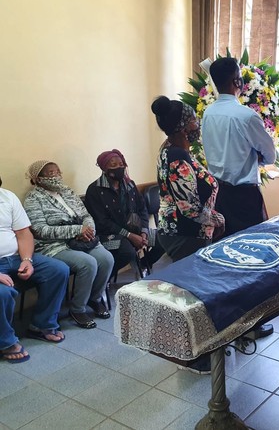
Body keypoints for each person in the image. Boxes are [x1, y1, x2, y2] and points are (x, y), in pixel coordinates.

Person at [23, 161, 114, 329]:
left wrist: (89, 230)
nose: (56, 176)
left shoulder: (67, 191)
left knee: (106, 258)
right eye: (51, 173)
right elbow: (40, 230)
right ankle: (77, 309)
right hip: (54, 245)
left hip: (82, 240)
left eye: (58, 172)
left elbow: (85, 215)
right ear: (38, 178)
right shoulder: (33, 198)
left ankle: (94, 299)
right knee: (88, 263)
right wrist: (76, 230)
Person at [202, 56, 276, 239]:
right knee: (251, 244)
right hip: (244, 197)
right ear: (237, 82)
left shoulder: (208, 113)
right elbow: (270, 155)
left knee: (223, 246)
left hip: (217, 194)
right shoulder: (247, 116)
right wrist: (255, 158)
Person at [1, 177, 70, 362]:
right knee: (2, 293)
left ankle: (41, 325)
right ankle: (5, 342)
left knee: (58, 270)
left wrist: (27, 260)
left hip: (16, 257)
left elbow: (24, 233)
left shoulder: (7, 197)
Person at [151, 96, 225, 262]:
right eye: (193, 120)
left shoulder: (170, 149)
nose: (197, 123)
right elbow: (189, 207)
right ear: (183, 128)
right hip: (186, 234)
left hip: (185, 232)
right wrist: (217, 220)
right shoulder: (177, 157)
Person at [85, 149, 165, 276]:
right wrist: (129, 235)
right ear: (104, 168)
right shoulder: (94, 190)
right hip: (109, 234)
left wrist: (144, 232)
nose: (119, 167)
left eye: (121, 164)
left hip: (135, 230)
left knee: (164, 238)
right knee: (127, 252)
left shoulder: (129, 184)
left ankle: (144, 264)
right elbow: (102, 222)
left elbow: (142, 209)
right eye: (113, 165)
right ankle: (104, 277)